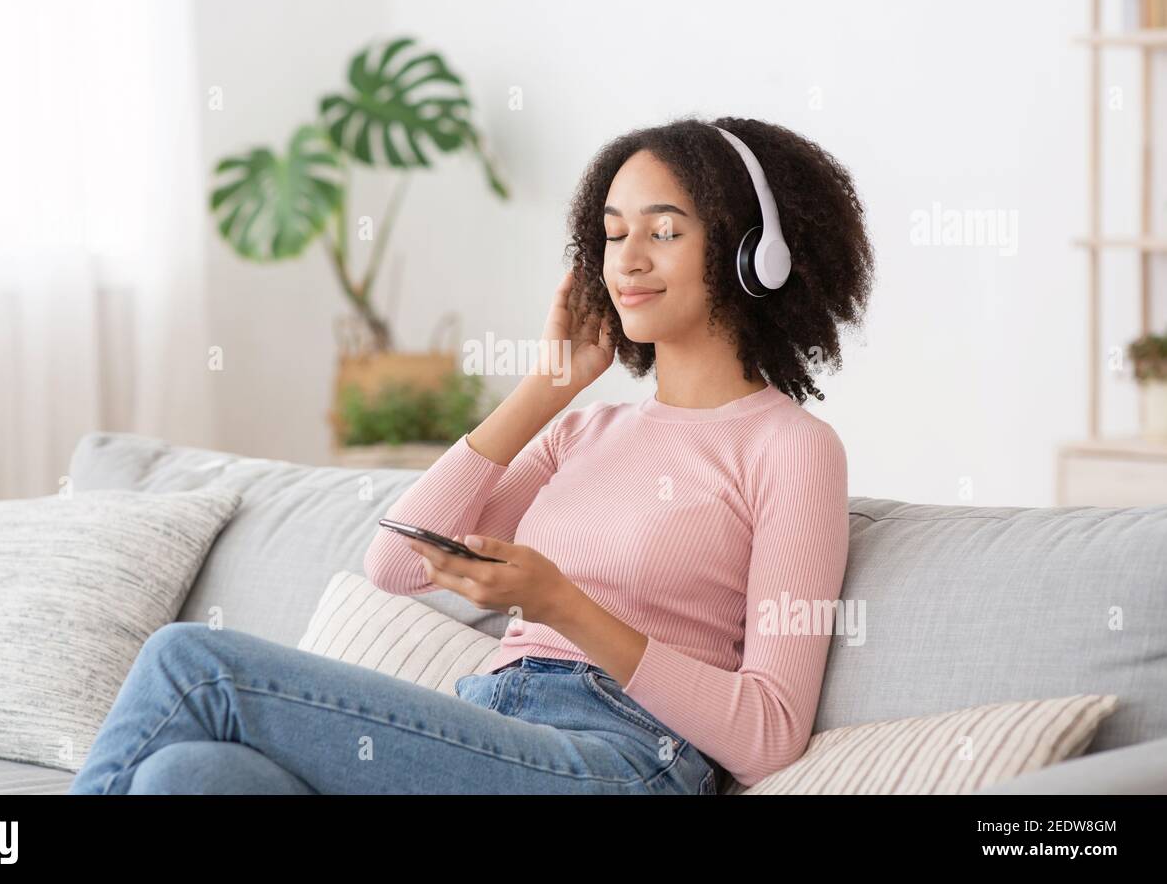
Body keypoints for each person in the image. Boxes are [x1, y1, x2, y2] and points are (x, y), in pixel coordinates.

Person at [68, 115, 875, 794]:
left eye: (663, 231)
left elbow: (770, 732)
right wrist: (547, 390)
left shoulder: (792, 449)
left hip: (623, 761)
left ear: (751, 254)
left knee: (192, 662)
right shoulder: (580, 433)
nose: (626, 259)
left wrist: (563, 606)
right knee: (188, 776)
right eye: (612, 232)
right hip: (490, 729)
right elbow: (396, 564)